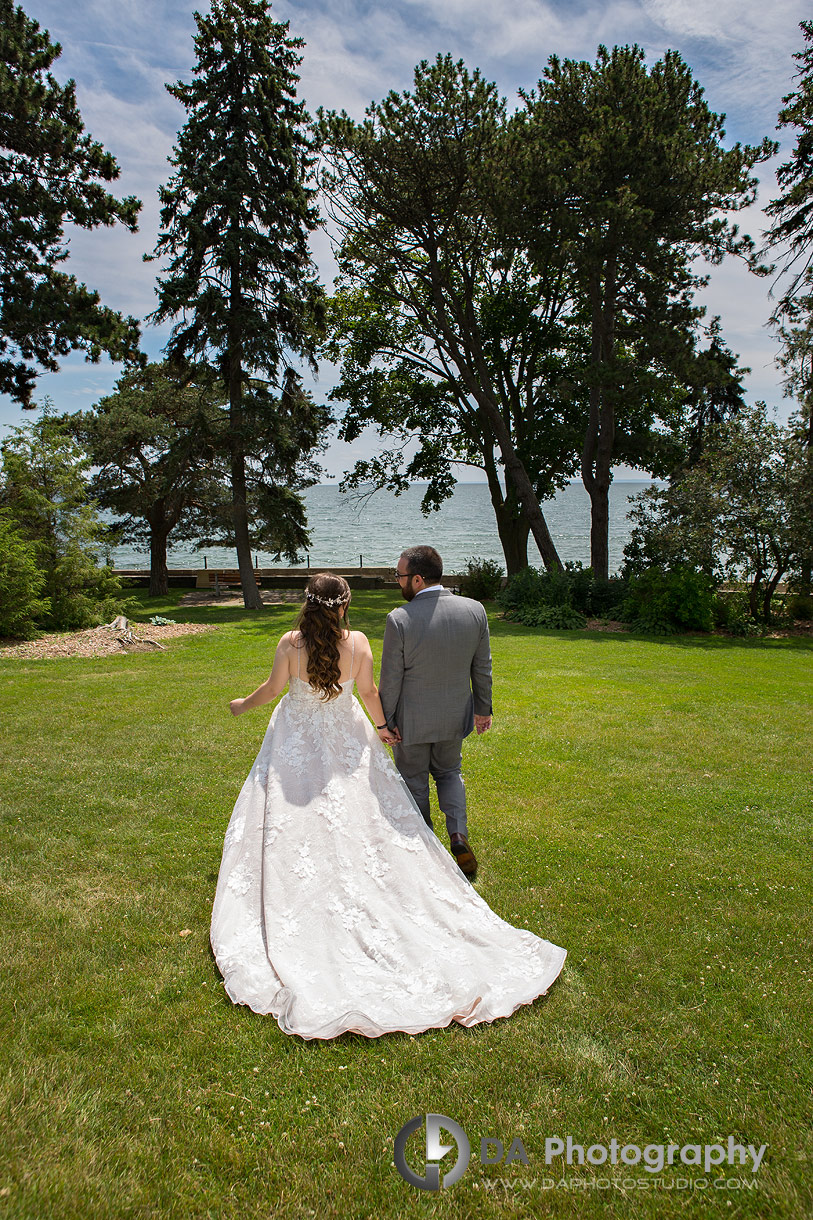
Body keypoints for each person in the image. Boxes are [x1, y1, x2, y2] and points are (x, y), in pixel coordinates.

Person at [210, 572, 566, 1041]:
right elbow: (369, 692)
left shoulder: (290, 643)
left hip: (296, 738)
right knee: (361, 813)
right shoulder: (356, 641)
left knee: (290, 816)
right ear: (344, 605)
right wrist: (381, 727)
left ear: (308, 604)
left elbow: (274, 689)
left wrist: (241, 705)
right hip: (345, 740)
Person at [378, 545, 491, 881]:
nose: (397, 582)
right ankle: (458, 836)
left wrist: (386, 722)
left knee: (413, 781)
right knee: (450, 773)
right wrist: (482, 710)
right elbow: (482, 668)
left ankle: (425, 846)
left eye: (399, 576)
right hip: (454, 716)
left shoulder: (399, 619)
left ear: (416, 579)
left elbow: (391, 679)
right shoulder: (475, 611)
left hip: (411, 722)